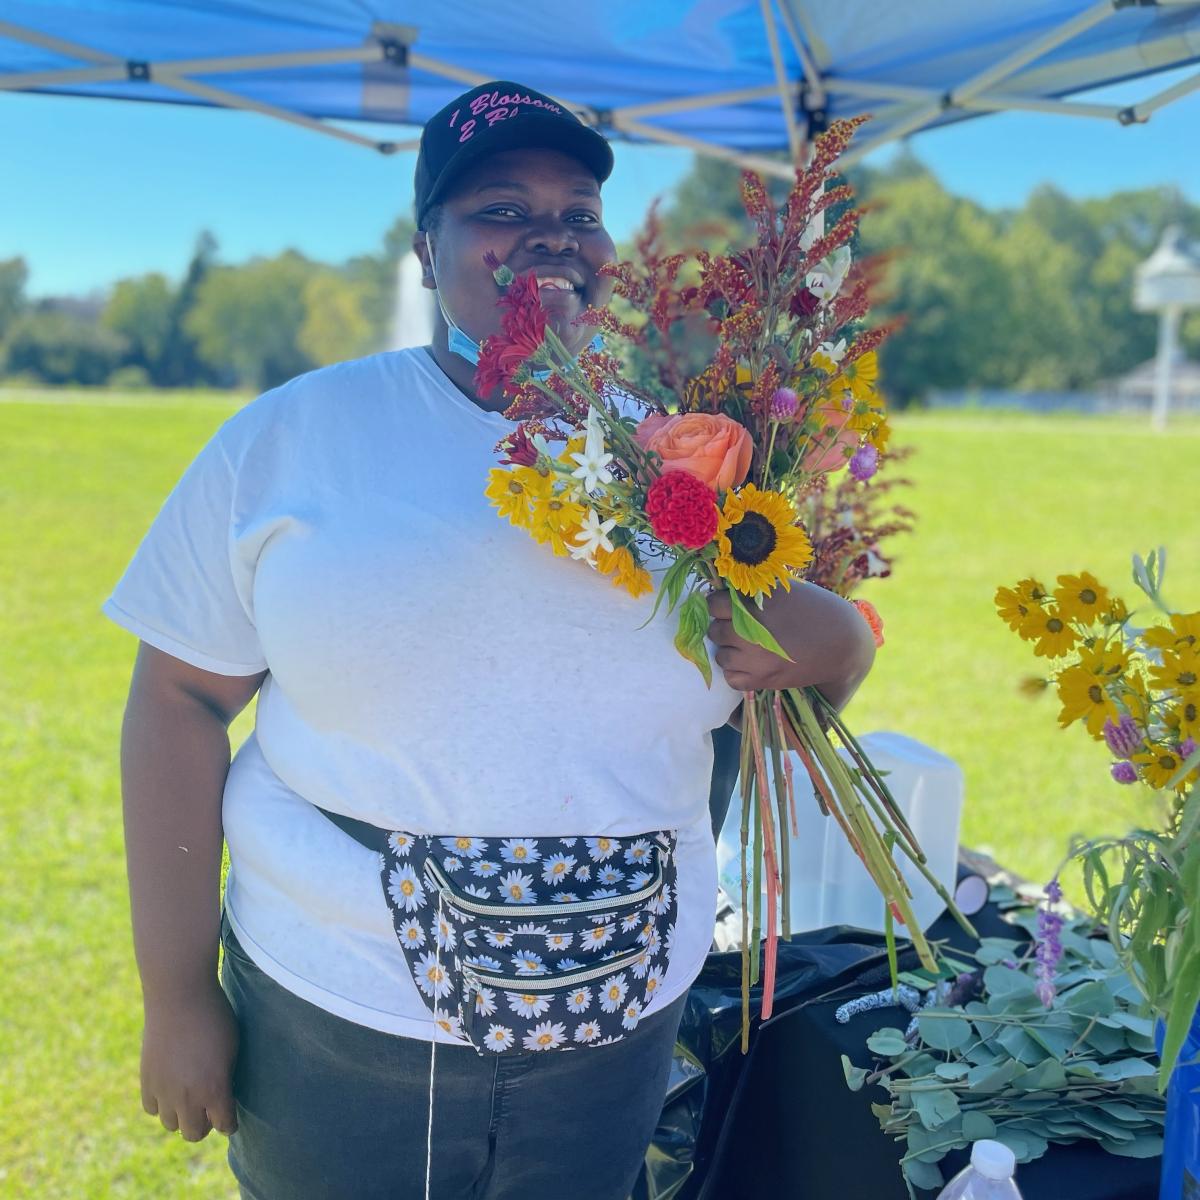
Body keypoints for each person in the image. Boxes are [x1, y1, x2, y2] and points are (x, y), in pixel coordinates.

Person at [104, 80, 876, 1200]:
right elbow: (178, 700)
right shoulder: (295, 438)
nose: (550, 234)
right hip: (338, 1018)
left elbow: (767, 705)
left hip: (621, 1018)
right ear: (426, 251)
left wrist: (840, 650)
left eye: (579, 213)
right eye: (502, 209)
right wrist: (176, 994)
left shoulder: (690, 459)